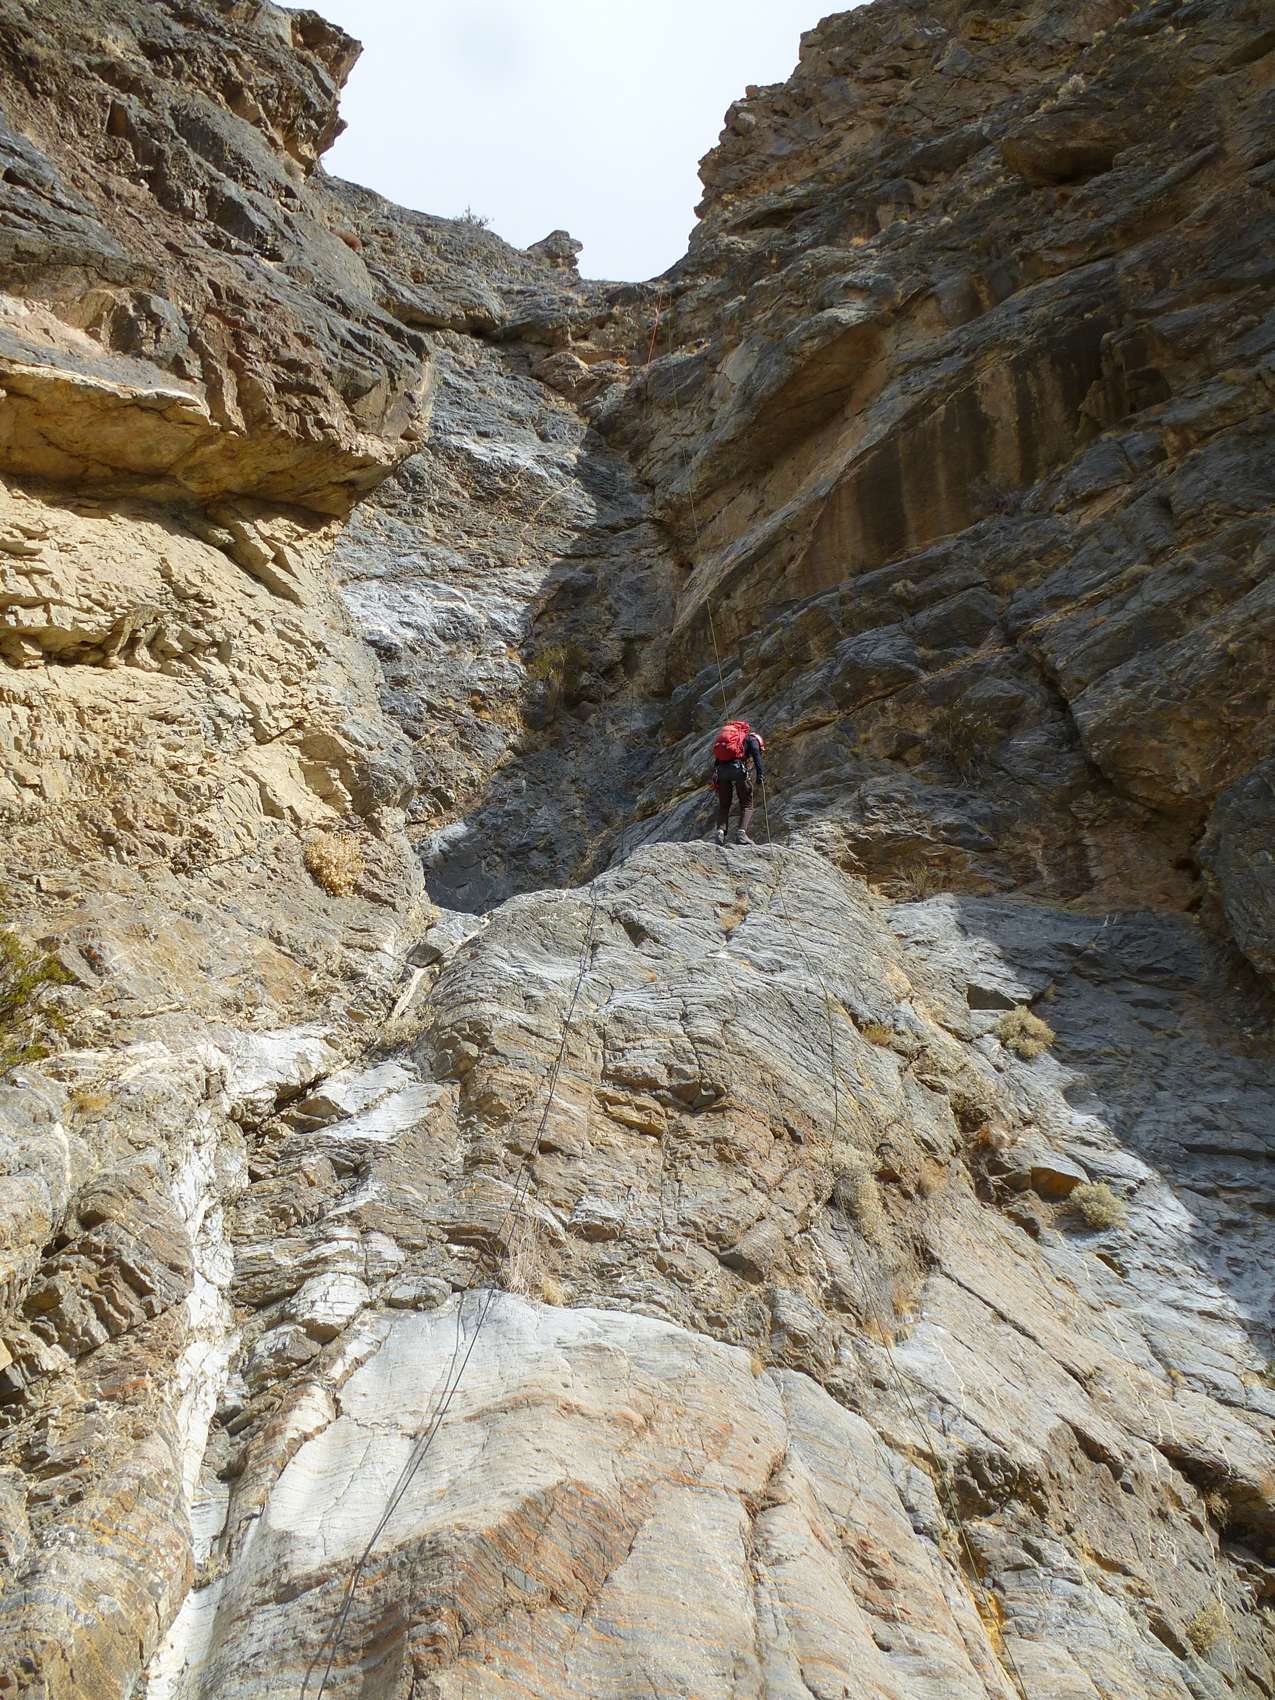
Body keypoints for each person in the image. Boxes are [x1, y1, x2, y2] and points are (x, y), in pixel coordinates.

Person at [711, 719, 764, 846]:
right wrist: (760, 775)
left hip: (722, 771)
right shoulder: (751, 739)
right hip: (738, 769)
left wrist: (716, 779)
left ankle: (720, 833)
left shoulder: (727, 740)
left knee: (724, 805)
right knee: (747, 803)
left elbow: (717, 761)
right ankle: (741, 834)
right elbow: (756, 756)